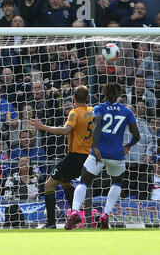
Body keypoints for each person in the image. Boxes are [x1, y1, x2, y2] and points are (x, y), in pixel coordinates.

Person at [66, 82, 140, 230]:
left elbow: (98, 126)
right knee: (117, 183)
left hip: (98, 153)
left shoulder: (99, 108)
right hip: (117, 154)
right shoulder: (127, 111)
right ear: (119, 95)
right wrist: (127, 146)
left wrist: (94, 146)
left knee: (83, 182)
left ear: (104, 94)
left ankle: (74, 212)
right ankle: (105, 215)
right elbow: (137, 136)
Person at [30, 86, 93, 228]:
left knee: (48, 185)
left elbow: (66, 130)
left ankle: (51, 223)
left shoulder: (75, 112)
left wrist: (43, 127)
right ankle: (77, 217)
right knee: (65, 183)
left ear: (74, 99)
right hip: (88, 158)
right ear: (87, 98)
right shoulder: (92, 112)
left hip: (75, 157)